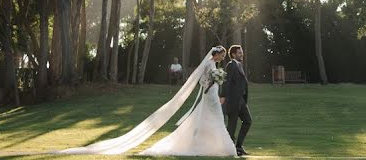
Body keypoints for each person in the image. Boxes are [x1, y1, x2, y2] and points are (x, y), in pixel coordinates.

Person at [59, 47, 236, 157]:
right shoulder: (209, 65)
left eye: (223, 55)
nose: (222, 57)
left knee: (213, 119)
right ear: (216, 54)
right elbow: (201, 81)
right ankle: (215, 146)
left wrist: (216, 81)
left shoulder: (215, 66)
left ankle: (215, 145)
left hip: (213, 93)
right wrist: (213, 81)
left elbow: (207, 80)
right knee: (213, 118)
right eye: (222, 54)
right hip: (209, 93)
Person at [219, 45, 251, 157]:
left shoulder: (239, 65)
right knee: (231, 127)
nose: (242, 54)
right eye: (239, 53)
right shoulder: (231, 65)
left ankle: (238, 146)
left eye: (242, 52)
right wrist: (223, 95)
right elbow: (226, 81)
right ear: (233, 54)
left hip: (241, 101)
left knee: (248, 121)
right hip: (233, 101)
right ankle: (230, 148)